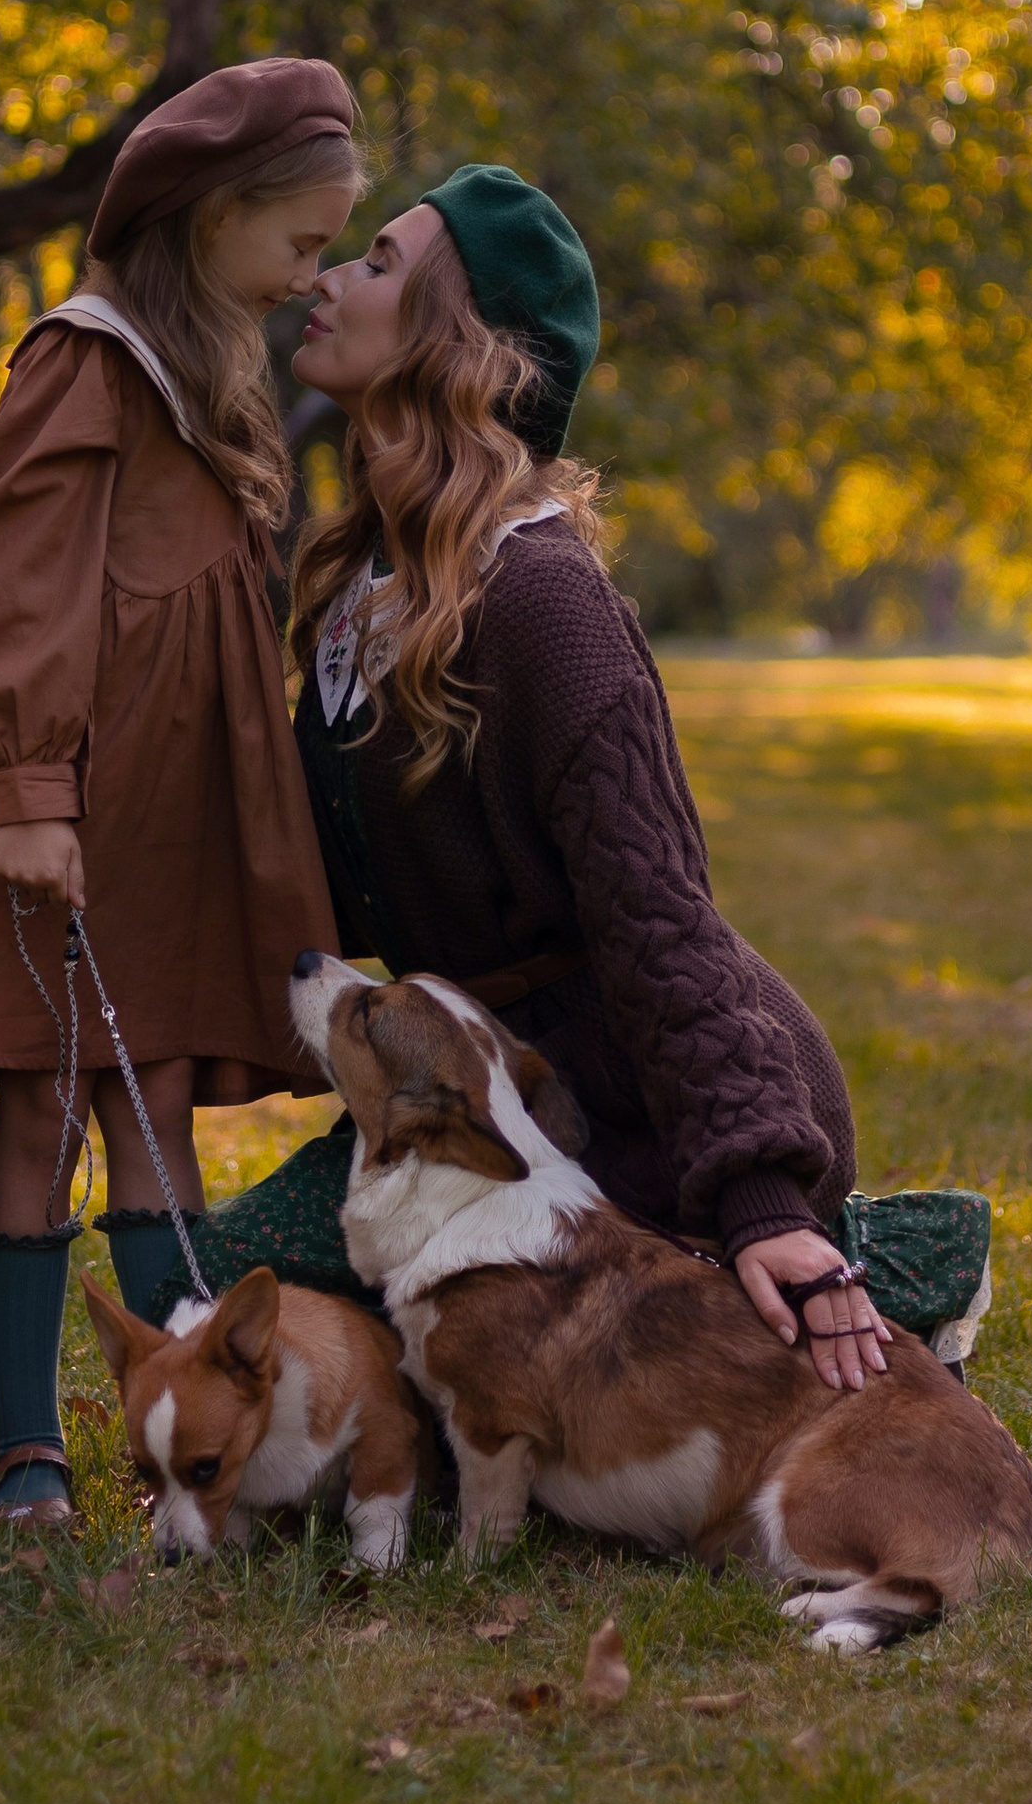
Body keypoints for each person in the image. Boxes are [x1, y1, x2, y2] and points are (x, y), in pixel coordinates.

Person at [283, 166, 890, 1392]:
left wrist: (762, 1199)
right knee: (241, 1286)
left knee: (339, 1355)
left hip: (639, 1112)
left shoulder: (545, 604)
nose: (328, 276)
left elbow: (661, 922)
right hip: (482, 1089)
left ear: (461, 348)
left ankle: (891, 1264)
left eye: (379, 262)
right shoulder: (365, 589)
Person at [0, 59, 362, 1520]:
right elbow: (11, 574)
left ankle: (182, 1440)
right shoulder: (87, 359)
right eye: (305, 243)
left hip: (172, 820)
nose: (313, 277)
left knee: (155, 1101)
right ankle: (27, 1442)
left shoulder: (218, 376)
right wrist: (28, 786)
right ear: (213, 219)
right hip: (69, 806)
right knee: (41, 1109)